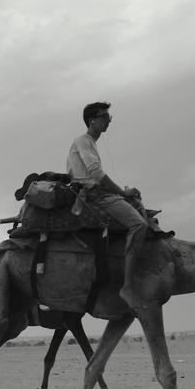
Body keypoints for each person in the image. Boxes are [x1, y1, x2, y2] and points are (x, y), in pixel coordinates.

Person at [66, 102, 149, 308]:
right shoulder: (83, 140)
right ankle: (127, 287)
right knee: (139, 224)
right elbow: (95, 173)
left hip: (96, 192)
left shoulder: (90, 143)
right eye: (104, 116)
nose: (108, 120)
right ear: (92, 120)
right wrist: (122, 192)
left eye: (109, 117)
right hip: (94, 195)